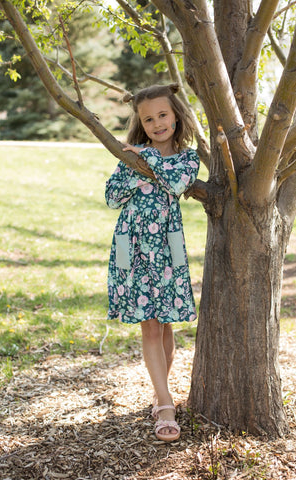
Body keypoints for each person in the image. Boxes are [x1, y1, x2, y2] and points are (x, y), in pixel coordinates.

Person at [105, 83, 200, 442]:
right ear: (141, 124)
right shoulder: (132, 156)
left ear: (176, 114)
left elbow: (176, 185)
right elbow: (112, 197)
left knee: (166, 325)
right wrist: (135, 165)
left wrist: (150, 161)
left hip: (167, 253)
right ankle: (164, 405)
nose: (157, 123)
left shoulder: (187, 158)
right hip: (133, 251)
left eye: (163, 114)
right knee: (150, 326)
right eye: (149, 119)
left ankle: (161, 395)